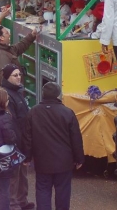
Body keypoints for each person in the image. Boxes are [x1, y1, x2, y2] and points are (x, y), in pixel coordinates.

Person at [23, 82, 83, 210]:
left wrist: (27, 157)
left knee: (43, 191)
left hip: (42, 161)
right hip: (64, 162)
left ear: (43, 94)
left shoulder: (33, 112)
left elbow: (27, 137)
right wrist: (79, 159)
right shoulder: (67, 112)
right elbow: (76, 138)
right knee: (63, 193)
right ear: (58, 94)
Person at [0, 64, 34, 210]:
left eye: (20, 74)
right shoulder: (6, 94)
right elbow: (11, 121)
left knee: (23, 174)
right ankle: (13, 204)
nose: (19, 77)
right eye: (15, 75)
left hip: (22, 140)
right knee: (14, 176)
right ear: (7, 77)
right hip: (15, 142)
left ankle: (22, 201)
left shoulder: (17, 92)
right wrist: (18, 142)